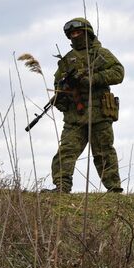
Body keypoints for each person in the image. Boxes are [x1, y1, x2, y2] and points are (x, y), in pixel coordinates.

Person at [45, 17, 124, 193]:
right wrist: (62, 95)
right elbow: (58, 83)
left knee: (104, 153)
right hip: (75, 116)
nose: (75, 36)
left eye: (78, 32)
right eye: (72, 34)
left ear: (87, 33)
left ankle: (114, 189)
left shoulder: (100, 54)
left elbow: (118, 72)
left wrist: (92, 79)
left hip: (99, 115)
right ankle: (62, 187)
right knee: (65, 152)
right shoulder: (67, 60)